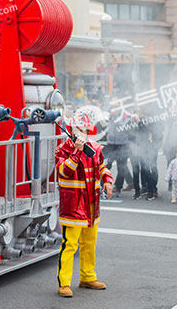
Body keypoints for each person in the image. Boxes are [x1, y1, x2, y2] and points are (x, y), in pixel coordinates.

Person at [55, 111, 113, 298]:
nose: (82, 132)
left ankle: (88, 277)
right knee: (69, 245)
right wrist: (76, 152)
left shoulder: (95, 148)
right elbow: (64, 172)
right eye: (79, 129)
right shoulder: (62, 150)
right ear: (71, 129)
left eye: (85, 129)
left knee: (89, 243)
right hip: (72, 206)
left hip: (91, 204)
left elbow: (102, 166)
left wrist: (107, 179)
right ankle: (64, 283)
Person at [105, 108, 133, 195]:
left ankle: (118, 188)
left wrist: (117, 118)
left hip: (123, 144)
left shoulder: (126, 116)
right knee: (107, 165)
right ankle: (104, 186)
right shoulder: (109, 116)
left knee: (121, 166)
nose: (113, 109)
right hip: (111, 144)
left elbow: (126, 127)